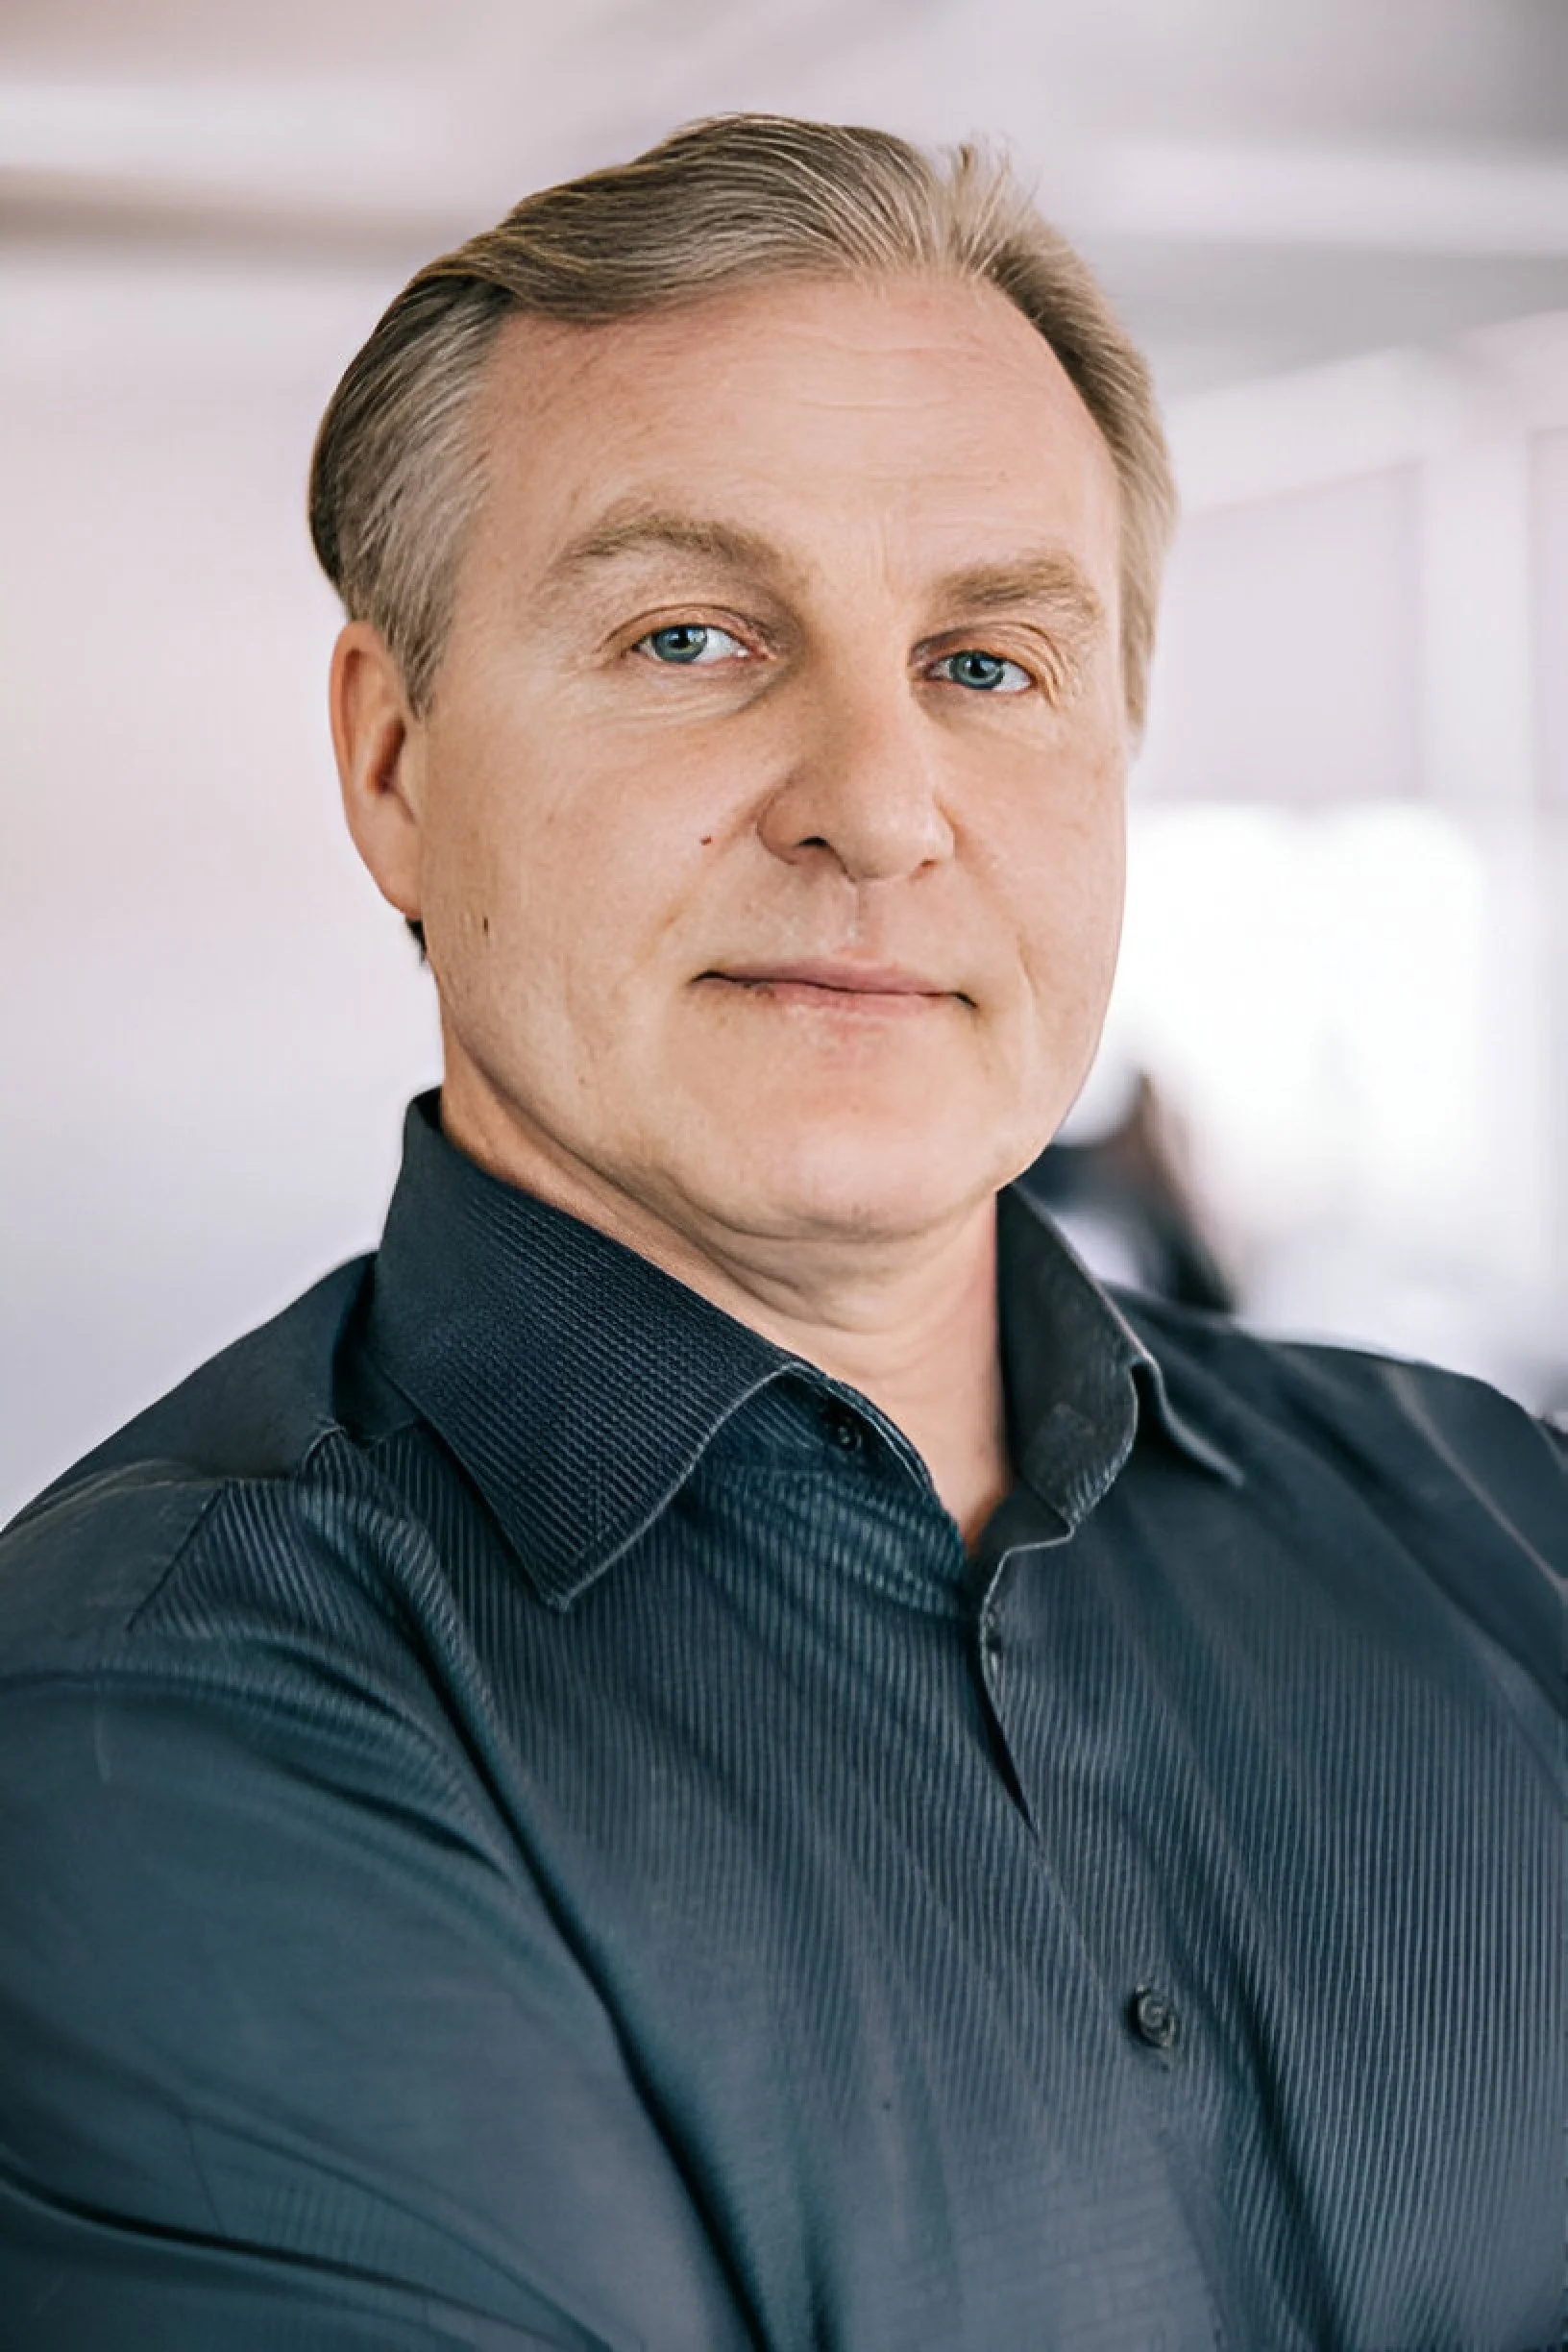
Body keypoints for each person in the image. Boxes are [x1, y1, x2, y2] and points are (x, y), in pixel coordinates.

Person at [0, 114, 1561, 2352]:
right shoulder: (144, 1725)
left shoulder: (1489, 1514)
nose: (877, 801)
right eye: (695, 636)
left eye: (990, 665)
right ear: (395, 762)